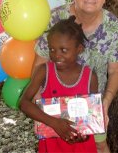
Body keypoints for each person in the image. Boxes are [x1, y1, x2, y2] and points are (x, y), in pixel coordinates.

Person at [32, 0, 118, 153]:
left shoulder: (113, 27)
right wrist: (38, 105)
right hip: (55, 103)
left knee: (98, 145)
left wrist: (105, 103)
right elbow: (40, 63)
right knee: (55, 146)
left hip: (92, 105)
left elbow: (115, 70)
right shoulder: (54, 19)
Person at [20, 16, 99, 153]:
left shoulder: (90, 77)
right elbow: (24, 103)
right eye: (52, 49)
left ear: (79, 49)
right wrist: (54, 123)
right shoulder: (44, 71)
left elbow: (92, 116)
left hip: (80, 146)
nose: (56, 55)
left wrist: (83, 135)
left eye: (63, 50)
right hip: (52, 144)